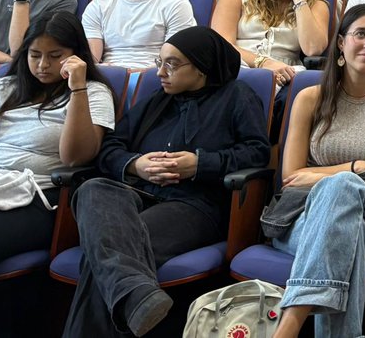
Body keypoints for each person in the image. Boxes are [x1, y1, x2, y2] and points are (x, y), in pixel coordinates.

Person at [60, 27, 270, 338]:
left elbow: (257, 153)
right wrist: (136, 165)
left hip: (194, 204)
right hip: (138, 193)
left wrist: (200, 164)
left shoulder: (236, 96)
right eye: (160, 62)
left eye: (172, 64)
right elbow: (111, 148)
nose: (160, 72)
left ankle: (135, 296)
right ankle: (137, 295)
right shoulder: (157, 100)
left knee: (108, 249)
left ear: (201, 67)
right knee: (93, 189)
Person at [263, 4, 365, 338]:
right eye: (361, 34)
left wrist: (333, 176)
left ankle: (288, 326)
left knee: (345, 188)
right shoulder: (309, 98)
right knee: (351, 235)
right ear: (341, 43)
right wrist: (357, 167)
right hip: (302, 216)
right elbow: (291, 177)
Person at [0, 11, 116, 269]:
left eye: (54, 56)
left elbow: (75, 157)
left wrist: (78, 88)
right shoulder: (6, 87)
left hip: (39, 197)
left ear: (76, 55)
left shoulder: (94, 93)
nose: (42, 65)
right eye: (35, 55)